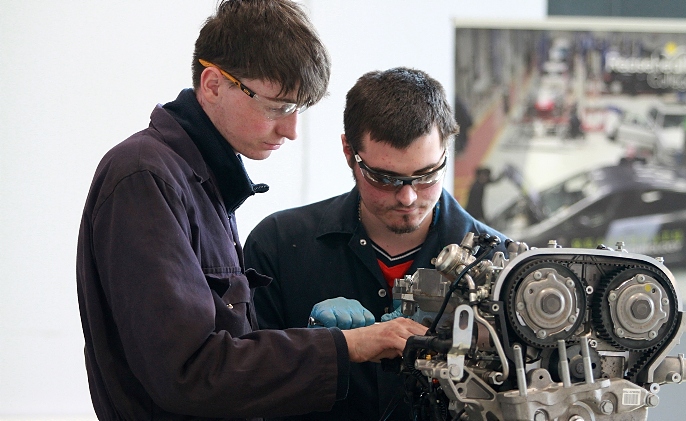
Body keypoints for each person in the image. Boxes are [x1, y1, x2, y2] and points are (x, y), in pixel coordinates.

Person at [75, 2, 427, 420]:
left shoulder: (201, 182)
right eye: (278, 107)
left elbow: (229, 350)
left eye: (298, 110)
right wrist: (345, 346)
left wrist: (320, 339)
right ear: (213, 84)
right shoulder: (146, 177)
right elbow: (190, 373)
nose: (291, 130)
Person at [244, 67, 509, 421]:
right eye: (385, 178)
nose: (408, 197)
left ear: (447, 149)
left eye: (427, 175)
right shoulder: (277, 246)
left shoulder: (498, 263)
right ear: (348, 151)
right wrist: (317, 350)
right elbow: (242, 386)